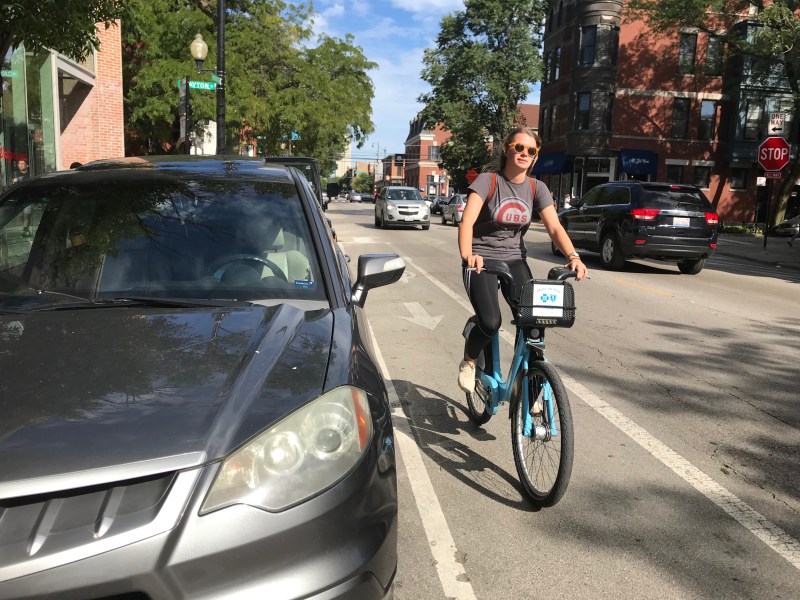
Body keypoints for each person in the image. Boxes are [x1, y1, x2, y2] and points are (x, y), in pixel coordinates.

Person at [457, 127, 588, 393]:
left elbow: (554, 227)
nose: (524, 154)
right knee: (491, 322)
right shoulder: (488, 180)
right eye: (519, 148)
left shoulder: (536, 187)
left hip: (515, 260)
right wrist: (468, 255)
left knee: (534, 320)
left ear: (536, 157)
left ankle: (528, 383)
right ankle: (469, 360)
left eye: (531, 150)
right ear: (507, 149)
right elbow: (467, 221)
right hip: (481, 259)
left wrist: (573, 256)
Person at [12, 160, 32, 237]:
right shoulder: (16, 174)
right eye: (19, 163)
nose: (20, 165)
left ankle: (25, 229)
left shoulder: (30, 174)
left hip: (28, 198)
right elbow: (12, 184)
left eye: (22, 163)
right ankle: (25, 228)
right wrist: (13, 182)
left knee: (27, 214)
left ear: (27, 165)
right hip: (19, 198)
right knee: (21, 215)